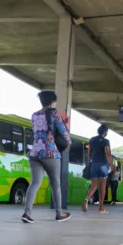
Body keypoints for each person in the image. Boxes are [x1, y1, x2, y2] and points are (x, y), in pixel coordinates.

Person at [22, 91, 72, 223]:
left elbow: (36, 133)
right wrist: (68, 144)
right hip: (50, 152)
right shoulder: (54, 114)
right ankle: (59, 213)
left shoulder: (34, 115)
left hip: (35, 152)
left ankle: (27, 213)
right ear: (52, 102)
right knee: (55, 184)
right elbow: (63, 132)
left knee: (35, 183)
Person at [82, 124, 116, 214]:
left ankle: (87, 198)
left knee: (94, 185)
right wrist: (112, 165)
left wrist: (90, 163)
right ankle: (101, 208)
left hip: (94, 165)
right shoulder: (106, 141)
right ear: (105, 132)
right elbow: (107, 153)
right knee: (102, 187)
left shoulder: (92, 140)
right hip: (103, 165)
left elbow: (89, 154)